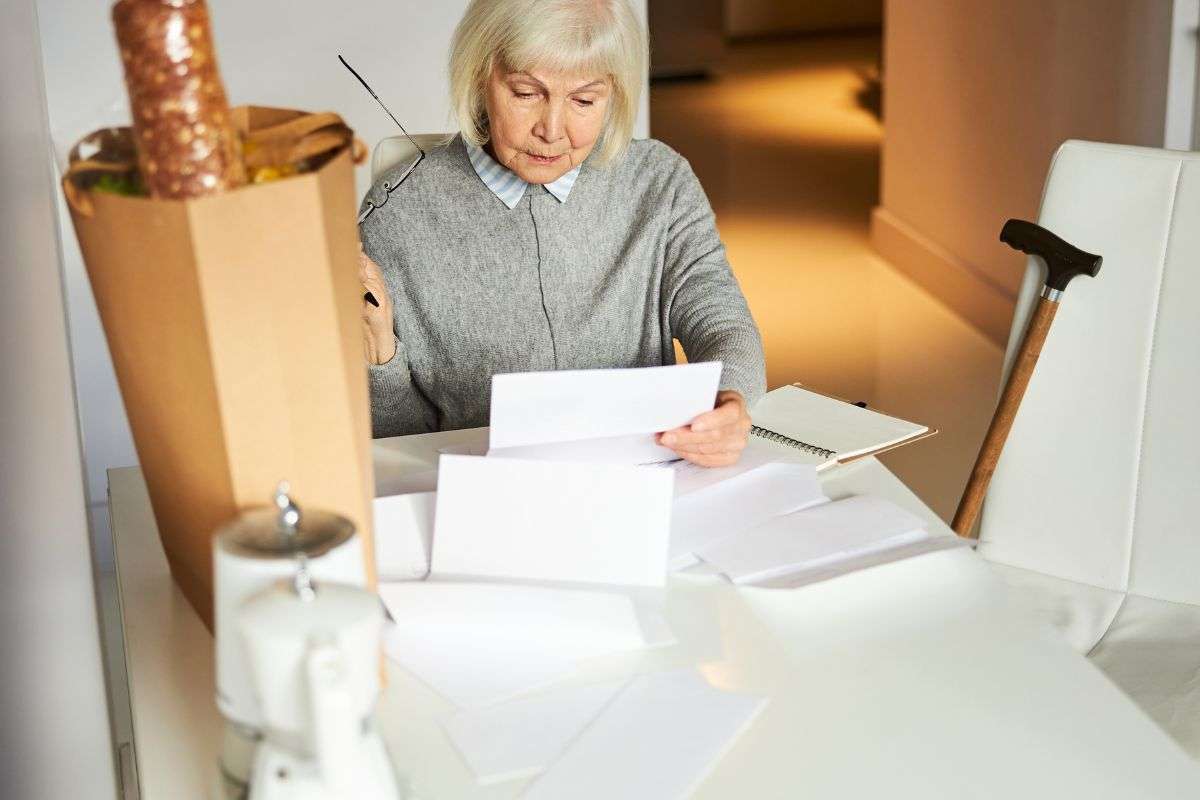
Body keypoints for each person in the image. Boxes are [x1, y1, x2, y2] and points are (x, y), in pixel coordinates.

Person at [359, 0, 765, 467]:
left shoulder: (659, 181)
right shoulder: (398, 209)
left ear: (616, 93)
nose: (553, 131)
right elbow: (398, 441)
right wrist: (377, 354)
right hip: (481, 491)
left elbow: (720, 317)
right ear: (479, 78)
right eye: (527, 93)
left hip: (644, 479)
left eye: (584, 101)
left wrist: (730, 399)